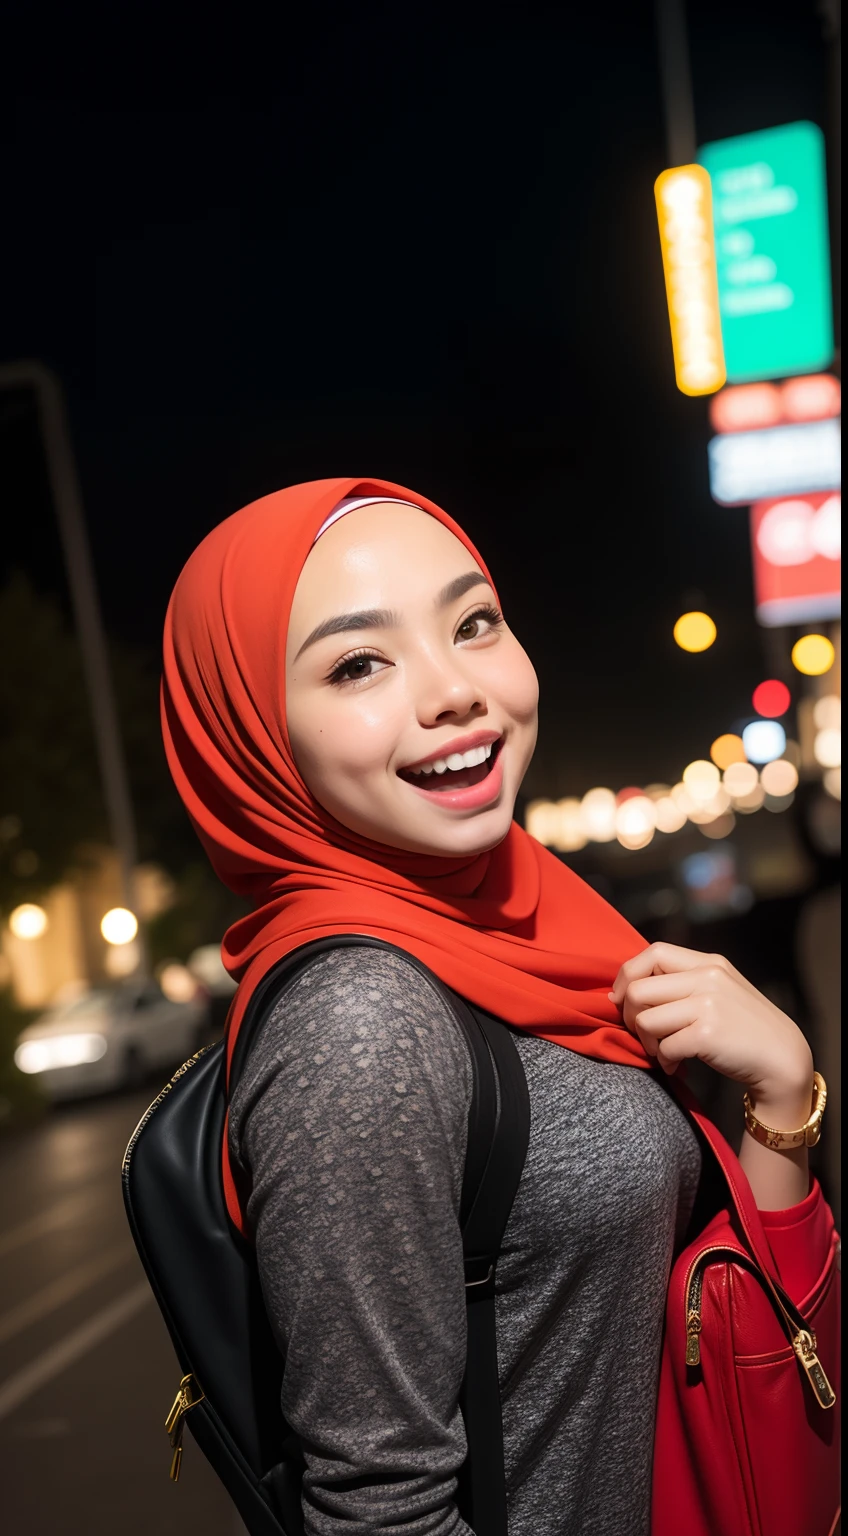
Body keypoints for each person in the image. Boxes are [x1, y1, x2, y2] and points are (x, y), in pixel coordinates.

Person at [162, 478, 832, 1536]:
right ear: (253, 736)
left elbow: (707, 1315)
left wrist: (780, 1098)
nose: (452, 690)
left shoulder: (533, 919)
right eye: (358, 664)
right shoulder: (358, 1025)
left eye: (472, 623)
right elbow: (381, 1515)